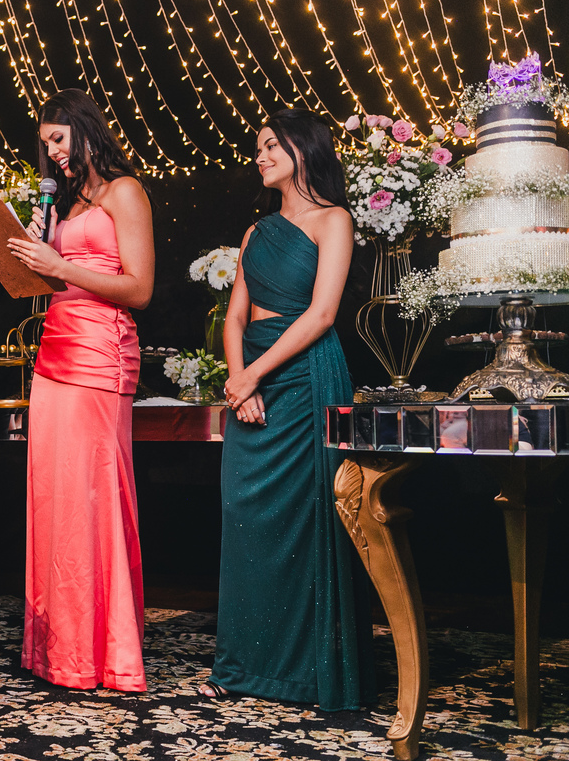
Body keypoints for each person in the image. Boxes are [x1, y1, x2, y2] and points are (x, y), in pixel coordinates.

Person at [203, 108, 375, 709]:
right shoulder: (256, 232)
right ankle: (245, 666)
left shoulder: (334, 220)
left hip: (305, 379)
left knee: (306, 521)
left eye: (272, 144)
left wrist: (254, 375)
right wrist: (239, 379)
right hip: (250, 376)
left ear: (304, 149)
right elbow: (234, 318)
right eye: (259, 146)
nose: (261, 155)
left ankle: (304, 674)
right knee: (246, 521)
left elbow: (323, 314)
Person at [6, 89, 154, 691]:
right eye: (46, 144)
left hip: (99, 355)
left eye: (58, 138)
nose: (53, 152)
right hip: (54, 351)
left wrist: (61, 266)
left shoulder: (125, 191)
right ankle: (61, 649)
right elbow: (56, 282)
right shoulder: (66, 204)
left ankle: (105, 653)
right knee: (56, 501)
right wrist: (29, 258)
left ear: (85, 129)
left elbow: (140, 288)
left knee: (92, 500)